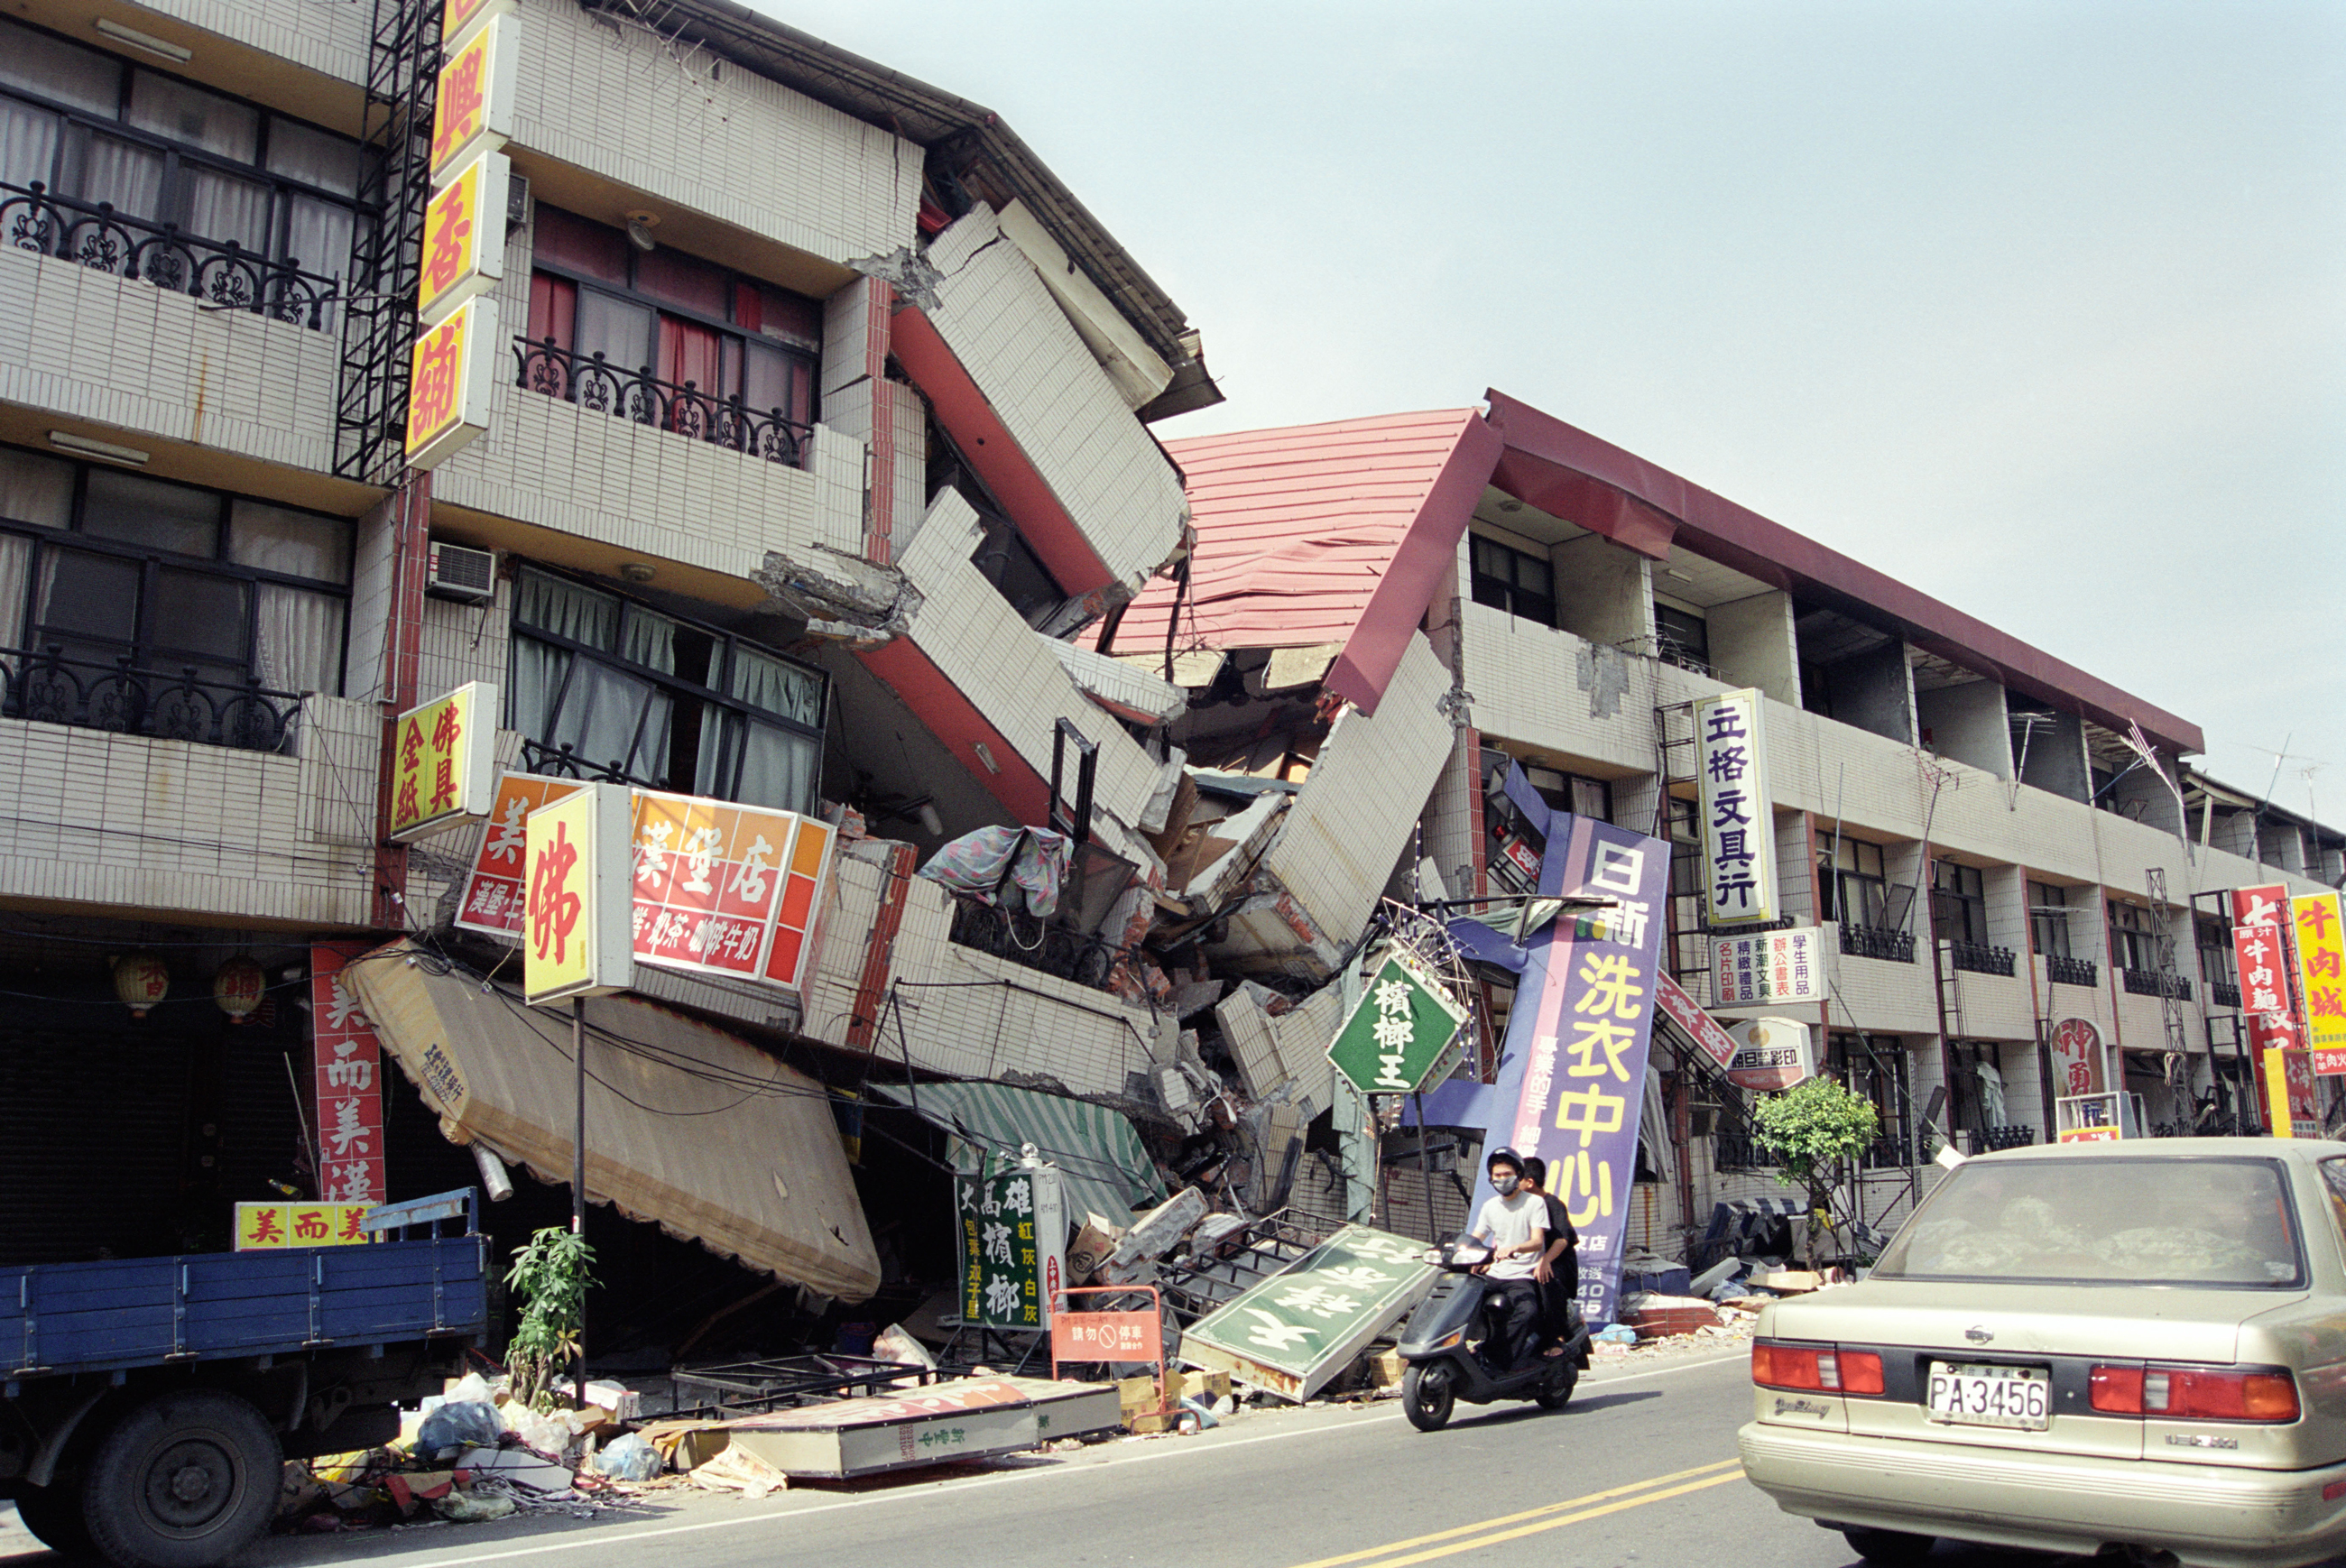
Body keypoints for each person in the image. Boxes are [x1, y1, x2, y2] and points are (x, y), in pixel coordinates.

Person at [1465, 1147, 1546, 1371]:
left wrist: (1514, 1248)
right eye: (1497, 1176)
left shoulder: (1534, 1203)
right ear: (1491, 1179)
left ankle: (1499, 1359)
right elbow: (1476, 1237)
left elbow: (1537, 1241)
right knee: (1462, 1302)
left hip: (1521, 1275)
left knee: (1526, 1312)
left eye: (1507, 1175)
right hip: (1495, 1273)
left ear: (1518, 1175)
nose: (1502, 1180)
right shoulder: (1490, 1207)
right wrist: (1463, 1251)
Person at [1521, 1158, 1581, 1355]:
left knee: (1546, 1279)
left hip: (1558, 1263)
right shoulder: (1520, 1207)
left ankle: (1557, 1337)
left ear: (1529, 1182)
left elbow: (1563, 1239)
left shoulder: (1552, 1204)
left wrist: (1545, 1260)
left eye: (1515, 1178)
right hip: (1529, 1261)